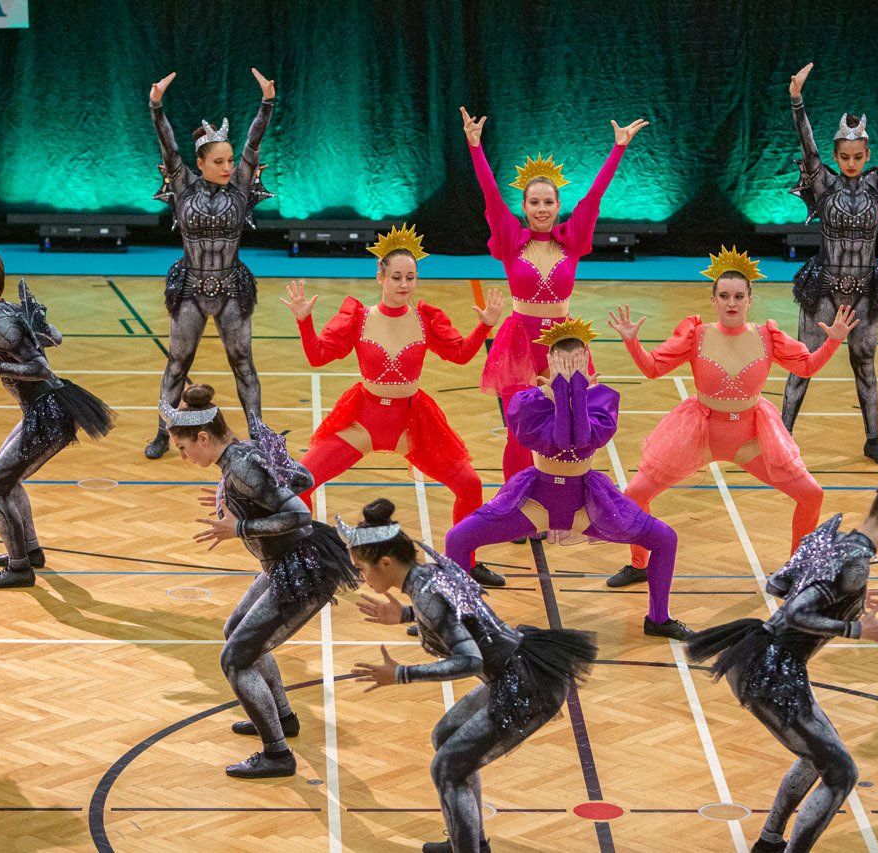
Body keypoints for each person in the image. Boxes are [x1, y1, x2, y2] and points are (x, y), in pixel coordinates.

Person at [686, 468, 878, 852]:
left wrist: (851, 600)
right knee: (842, 773)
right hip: (774, 671)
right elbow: (796, 612)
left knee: (817, 756)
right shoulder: (856, 564)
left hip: (755, 653)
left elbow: (778, 584)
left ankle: (769, 841)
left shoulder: (834, 539)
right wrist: (856, 627)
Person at [342, 499, 596, 853]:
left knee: (448, 767)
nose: (361, 578)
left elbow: (470, 661)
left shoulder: (426, 593)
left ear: (385, 563)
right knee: (446, 737)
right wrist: (405, 617)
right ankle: (472, 841)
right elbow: (459, 615)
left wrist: (401, 674)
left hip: (526, 684)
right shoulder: (428, 576)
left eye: (362, 568)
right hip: (521, 669)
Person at [605, 247, 856, 590]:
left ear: (750, 300)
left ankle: (797, 567)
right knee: (634, 493)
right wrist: (632, 342)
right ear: (713, 300)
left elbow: (807, 366)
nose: (731, 303)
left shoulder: (768, 337)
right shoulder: (696, 335)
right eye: (724, 296)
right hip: (700, 433)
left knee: (811, 494)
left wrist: (834, 342)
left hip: (750, 437)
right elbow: (652, 368)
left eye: (739, 296)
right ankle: (639, 564)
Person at [283, 224, 506, 586]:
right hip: (362, 421)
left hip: (410, 423)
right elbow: (318, 355)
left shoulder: (425, 319)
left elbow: (461, 354)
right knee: (299, 484)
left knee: (470, 485)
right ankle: (307, 563)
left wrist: (484, 328)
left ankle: (465, 564)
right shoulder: (359, 318)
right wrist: (304, 319)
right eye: (397, 277)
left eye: (410, 278)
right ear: (380, 277)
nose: (404, 285)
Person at [443, 318, 692, 639]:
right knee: (457, 539)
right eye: (562, 363)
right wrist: (563, 392)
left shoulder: (602, 399)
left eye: (576, 362)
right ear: (548, 362)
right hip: (535, 500)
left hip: (586, 503)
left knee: (665, 539)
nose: (569, 370)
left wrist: (572, 393)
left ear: (587, 361)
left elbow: (581, 440)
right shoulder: (527, 402)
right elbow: (559, 441)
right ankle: (459, 619)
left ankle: (658, 619)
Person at [163, 384, 359, 779]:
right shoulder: (243, 453)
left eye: (183, 448)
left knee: (235, 659)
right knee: (235, 630)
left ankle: (277, 755)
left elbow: (299, 514)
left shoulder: (241, 467)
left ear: (203, 438)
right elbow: (301, 477)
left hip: (300, 571)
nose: (183, 456)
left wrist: (240, 525)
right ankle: (282, 717)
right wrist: (240, 500)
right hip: (285, 564)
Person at [461, 105, 647, 481]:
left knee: (572, 423)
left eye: (548, 202)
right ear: (524, 206)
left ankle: (563, 491)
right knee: (519, 433)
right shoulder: (511, 239)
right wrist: (475, 148)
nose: (542, 209)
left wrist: (619, 148)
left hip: (562, 342)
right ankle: (514, 498)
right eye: (534, 202)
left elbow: (594, 198)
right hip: (519, 342)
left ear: (559, 206)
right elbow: (491, 197)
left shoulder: (572, 240)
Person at [778, 63, 878, 465]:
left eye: (858, 156)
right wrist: (796, 101)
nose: (852, 163)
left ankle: (872, 440)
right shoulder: (823, 183)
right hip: (824, 288)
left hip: (864, 292)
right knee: (803, 364)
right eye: (844, 156)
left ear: (867, 155)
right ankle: (782, 439)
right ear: (836, 156)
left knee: (865, 365)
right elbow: (807, 146)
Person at [0, 241, 115, 588]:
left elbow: (41, 368)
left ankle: (20, 569)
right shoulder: (3, 316)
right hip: (45, 411)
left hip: (49, 415)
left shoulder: (3, 323)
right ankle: (29, 551)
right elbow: (52, 337)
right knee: (5, 481)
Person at [144, 68, 277, 459]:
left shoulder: (240, 185)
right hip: (190, 288)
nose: (227, 167)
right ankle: (163, 434)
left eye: (230, 160)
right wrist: (156, 106)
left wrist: (266, 103)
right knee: (177, 365)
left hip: (232, 288)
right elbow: (168, 145)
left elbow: (254, 141)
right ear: (200, 163)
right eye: (219, 161)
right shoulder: (183, 184)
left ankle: (259, 435)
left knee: (243, 364)